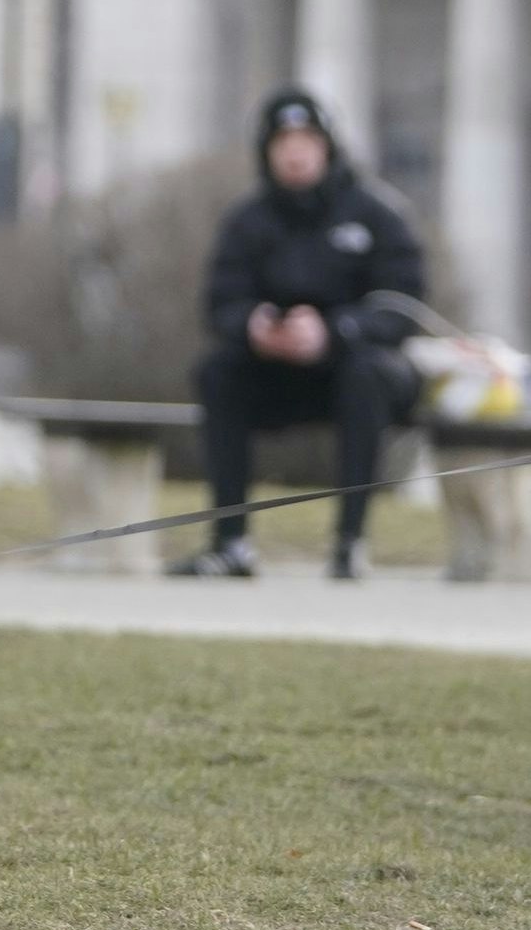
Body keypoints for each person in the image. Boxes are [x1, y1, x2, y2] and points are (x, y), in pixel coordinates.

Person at [176, 88, 429, 582]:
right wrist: (255, 327)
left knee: (365, 375)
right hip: (277, 369)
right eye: (283, 141)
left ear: (328, 147)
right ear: (267, 151)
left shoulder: (375, 215)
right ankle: (230, 544)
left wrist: (334, 332)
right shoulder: (248, 221)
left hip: (357, 370)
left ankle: (350, 544)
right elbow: (220, 303)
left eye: (307, 139)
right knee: (217, 373)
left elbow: (402, 308)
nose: (295, 152)